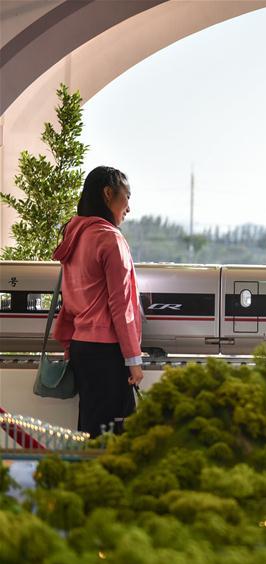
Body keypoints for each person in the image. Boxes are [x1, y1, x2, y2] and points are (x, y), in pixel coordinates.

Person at [52, 166, 143, 438]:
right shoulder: (110, 239)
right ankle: (107, 480)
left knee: (92, 426)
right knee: (116, 432)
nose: (129, 207)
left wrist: (69, 344)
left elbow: (69, 297)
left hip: (83, 348)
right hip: (108, 351)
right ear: (108, 194)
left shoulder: (75, 236)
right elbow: (121, 304)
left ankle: (85, 477)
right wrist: (133, 359)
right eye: (127, 195)